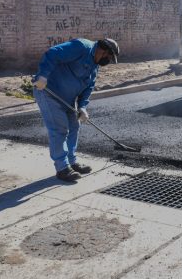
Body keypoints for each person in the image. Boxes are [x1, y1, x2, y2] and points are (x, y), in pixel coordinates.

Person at [33, 38, 119, 182]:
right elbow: (53, 53)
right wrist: (43, 75)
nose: (108, 61)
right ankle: (62, 168)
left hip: (68, 99)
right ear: (103, 50)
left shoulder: (94, 65)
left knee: (74, 126)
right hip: (48, 91)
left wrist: (83, 107)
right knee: (59, 129)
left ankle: (72, 162)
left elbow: (88, 87)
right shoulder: (81, 47)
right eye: (109, 57)